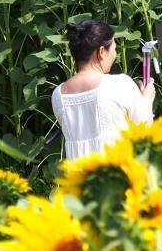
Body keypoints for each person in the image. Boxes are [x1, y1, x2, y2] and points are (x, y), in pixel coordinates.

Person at [51, 19, 155, 160]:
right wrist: (147, 100)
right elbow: (144, 130)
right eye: (114, 49)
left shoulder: (58, 95)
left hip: (79, 179)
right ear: (101, 52)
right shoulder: (119, 84)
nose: (115, 55)